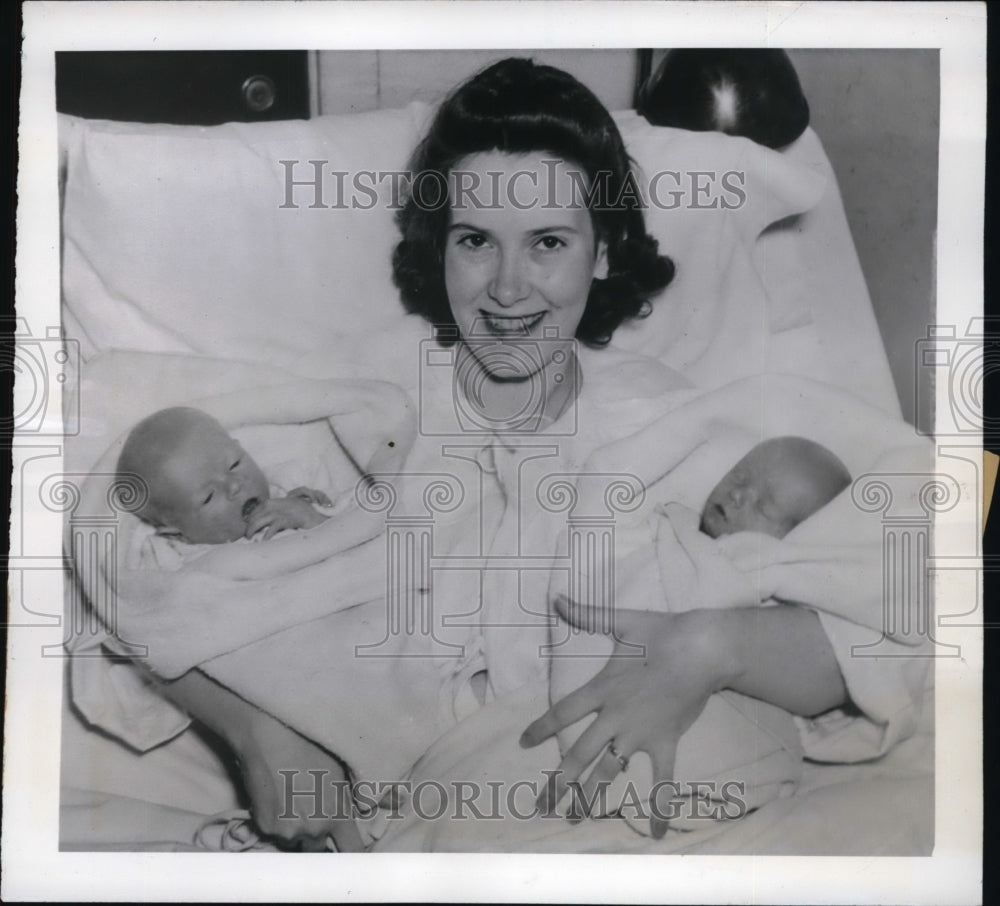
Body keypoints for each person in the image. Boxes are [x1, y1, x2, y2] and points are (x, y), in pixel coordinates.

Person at [149, 57, 914, 851]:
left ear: (605, 251)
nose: (509, 289)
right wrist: (256, 733)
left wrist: (707, 648)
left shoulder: (661, 417)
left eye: (548, 241)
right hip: (383, 767)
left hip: (553, 768)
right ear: (439, 244)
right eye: (477, 240)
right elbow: (147, 542)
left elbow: (868, 620)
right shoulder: (370, 388)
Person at [117, 406, 335, 555]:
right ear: (178, 535)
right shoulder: (190, 563)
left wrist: (310, 517)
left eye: (235, 464)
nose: (234, 485)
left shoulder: (296, 486)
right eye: (208, 496)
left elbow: (361, 540)